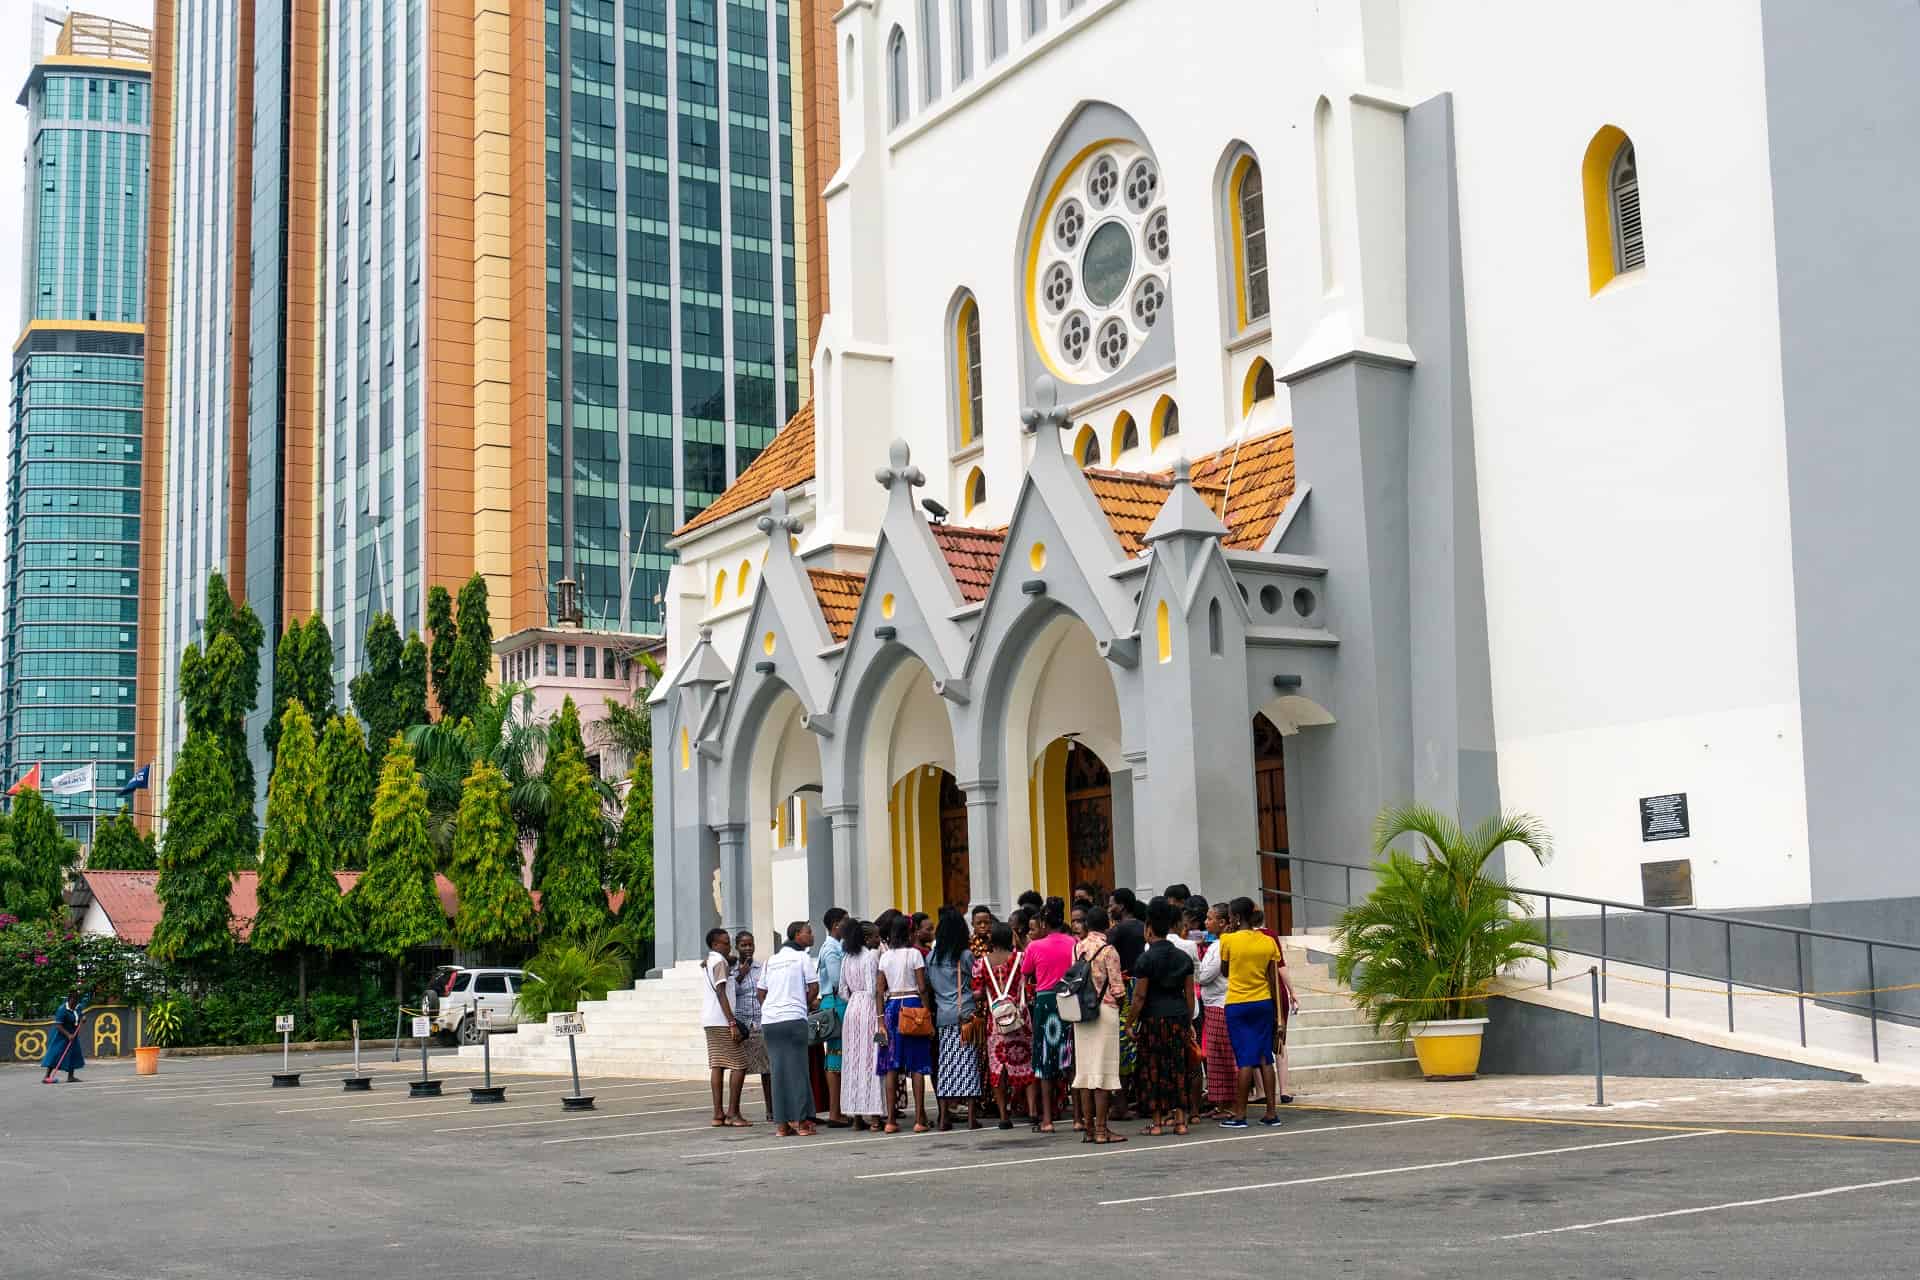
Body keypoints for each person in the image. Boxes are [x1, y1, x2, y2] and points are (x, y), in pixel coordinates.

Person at [1130, 899, 1197, 1135]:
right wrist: (1188, 1022)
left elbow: (1139, 997)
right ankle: (1180, 1120)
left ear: (1149, 928)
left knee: (1153, 1068)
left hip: (1152, 1018)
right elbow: (1190, 995)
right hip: (1178, 1015)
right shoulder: (1183, 958)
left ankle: (1157, 1122)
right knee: (1178, 1067)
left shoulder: (1145, 959)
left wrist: (1130, 1023)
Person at [1216, 896, 1284, 1128]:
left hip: (1237, 1003)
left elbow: (1225, 971)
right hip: (1263, 1001)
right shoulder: (1268, 942)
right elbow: (1272, 978)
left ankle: (1240, 1114)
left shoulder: (1228, 940)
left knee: (1245, 1059)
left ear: (1234, 917)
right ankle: (1271, 1112)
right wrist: (1278, 1014)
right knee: (1266, 1056)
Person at [1019, 897, 1076, 1133]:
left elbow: (1026, 972)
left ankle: (1047, 1120)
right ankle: (1079, 1118)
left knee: (1044, 1060)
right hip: (1068, 999)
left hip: (1044, 1002)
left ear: (1043, 922)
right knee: (1070, 1056)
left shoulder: (1034, 946)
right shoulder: (1073, 942)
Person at [758, 920, 820, 1138]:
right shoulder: (802, 957)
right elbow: (814, 987)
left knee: (778, 1072)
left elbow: (761, 992)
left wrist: (772, 1007)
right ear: (796, 935)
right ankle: (803, 1123)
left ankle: (782, 1125)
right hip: (793, 1018)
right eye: (808, 932)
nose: (811, 936)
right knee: (799, 1071)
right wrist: (802, 1004)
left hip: (771, 1021)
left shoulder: (771, 960)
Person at [1070, 906, 1127, 1143]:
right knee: (1103, 1072)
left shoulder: (1077, 947)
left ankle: (1089, 1129)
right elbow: (1117, 988)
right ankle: (1103, 1130)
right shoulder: (1108, 950)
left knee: (1085, 1073)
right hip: (1104, 1011)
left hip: (1082, 1013)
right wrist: (1124, 1008)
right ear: (1107, 925)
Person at [973, 921, 1034, 1130]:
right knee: (1026, 1061)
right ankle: (1033, 1110)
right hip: (1020, 1017)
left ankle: (1003, 1115)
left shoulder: (982, 963)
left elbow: (978, 992)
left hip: (996, 1021)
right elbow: (1029, 975)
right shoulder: (1020, 958)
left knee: (999, 1067)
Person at [875, 914, 933, 1133]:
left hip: (891, 1008)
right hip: (913, 1006)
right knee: (917, 1065)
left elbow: (879, 990)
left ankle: (890, 1120)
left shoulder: (886, 957)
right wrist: (926, 1011)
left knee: (891, 1065)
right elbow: (922, 986)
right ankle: (919, 1119)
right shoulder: (914, 954)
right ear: (909, 933)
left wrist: (880, 1019)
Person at [927, 907, 982, 1130]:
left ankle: (943, 1117)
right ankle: (970, 1117)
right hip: (965, 1014)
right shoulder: (965, 956)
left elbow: (930, 986)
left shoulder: (931, 957)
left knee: (946, 1066)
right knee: (968, 1063)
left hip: (942, 1015)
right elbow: (976, 980)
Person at [836, 918, 886, 1130]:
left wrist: (853, 1001)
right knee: (872, 1059)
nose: (878, 939)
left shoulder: (847, 957)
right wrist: (880, 1016)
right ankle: (875, 1117)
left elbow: (841, 990)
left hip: (852, 1009)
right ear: (866, 938)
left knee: (853, 1062)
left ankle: (856, 1116)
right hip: (869, 1009)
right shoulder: (870, 958)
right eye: (875, 936)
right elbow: (874, 989)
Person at [701, 928, 750, 1126]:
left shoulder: (711, 961)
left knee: (718, 1065)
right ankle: (733, 1113)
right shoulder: (719, 962)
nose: (728, 946)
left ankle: (718, 1113)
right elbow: (722, 992)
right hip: (722, 1021)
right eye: (724, 942)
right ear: (714, 945)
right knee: (739, 1064)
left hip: (710, 1019)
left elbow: (726, 985)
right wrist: (732, 1022)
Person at [1196, 901, 1235, 1117]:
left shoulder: (1221, 946)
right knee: (1216, 1059)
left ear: (1222, 922)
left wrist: (1195, 966)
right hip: (1213, 1003)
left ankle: (1229, 1104)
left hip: (1220, 1003)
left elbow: (1204, 976)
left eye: (1210, 919)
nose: (1206, 922)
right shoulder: (1215, 945)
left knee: (1223, 1057)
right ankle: (1221, 1104)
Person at [731, 930, 771, 1122]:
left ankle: (771, 1110)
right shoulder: (731, 969)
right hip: (742, 1025)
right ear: (737, 947)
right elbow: (729, 992)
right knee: (740, 1068)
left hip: (761, 1023)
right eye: (743, 945)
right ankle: (734, 1110)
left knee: (767, 1069)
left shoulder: (761, 967)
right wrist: (740, 975)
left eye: (750, 944)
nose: (748, 948)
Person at [816, 907, 850, 1127]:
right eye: (846, 921)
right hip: (836, 1002)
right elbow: (838, 981)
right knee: (836, 1056)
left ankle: (839, 1109)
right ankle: (835, 1112)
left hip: (836, 1001)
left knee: (839, 1056)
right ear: (837, 924)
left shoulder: (837, 946)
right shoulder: (831, 949)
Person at [40, 990, 88, 1084]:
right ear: (70, 1000)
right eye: (73, 1002)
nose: (75, 1005)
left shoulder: (78, 1007)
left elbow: (81, 1015)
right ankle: (47, 1076)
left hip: (73, 1035)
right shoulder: (62, 1009)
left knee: (73, 1054)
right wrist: (68, 1035)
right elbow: (58, 1025)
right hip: (61, 1035)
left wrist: (83, 1018)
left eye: (76, 1002)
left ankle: (71, 1077)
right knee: (56, 1054)